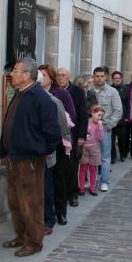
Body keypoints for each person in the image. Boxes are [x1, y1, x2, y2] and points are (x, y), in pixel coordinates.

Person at [0, 58, 61, 257]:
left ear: (27, 75)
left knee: (31, 202)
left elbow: (53, 133)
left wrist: (38, 152)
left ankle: (34, 242)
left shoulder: (41, 98)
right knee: (15, 201)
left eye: (16, 71)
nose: (12, 74)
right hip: (14, 157)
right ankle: (20, 235)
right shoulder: (20, 95)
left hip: (30, 160)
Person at [38, 64, 76, 226]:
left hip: (59, 142)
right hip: (41, 143)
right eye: (39, 75)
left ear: (51, 78)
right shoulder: (36, 94)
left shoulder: (61, 93)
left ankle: (61, 212)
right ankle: (45, 212)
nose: (41, 78)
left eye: (44, 75)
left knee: (58, 178)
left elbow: (71, 117)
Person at [57, 68, 88, 208]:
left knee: (71, 167)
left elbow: (83, 116)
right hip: (57, 136)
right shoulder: (54, 90)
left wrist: (81, 136)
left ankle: (73, 195)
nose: (60, 77)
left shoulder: (77, 92)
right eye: (58, 75)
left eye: (63, 75)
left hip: (73, 134)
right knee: (59, 168)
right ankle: (61, 195)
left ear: (69, 77)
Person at [91, 66, 122, 192]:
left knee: (105, 156)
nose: (99, 78)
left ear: (106, 77)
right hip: (90, 128)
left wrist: (109, 125)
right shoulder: (89, 90)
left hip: (104, 128)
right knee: (91, 156)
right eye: (97, 76)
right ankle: (93, 181)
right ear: (93, 77)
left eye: (102, 76)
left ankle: (104, 181)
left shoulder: (112, 92)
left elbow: (118, 110)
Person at [79, 105, 105, 196]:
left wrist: (100, 127)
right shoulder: (85, 122)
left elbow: (100, 138)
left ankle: (92, 187)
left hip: (95, 148)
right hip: (85, 147)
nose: (100, 117)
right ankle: (81, 188)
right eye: (98, 115)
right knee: (83, 168)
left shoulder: (99, 125)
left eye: (101, 116)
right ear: (92, 113)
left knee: (93, 168)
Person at [110, 71, 127, 163]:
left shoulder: (125, 89)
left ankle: (123, 154)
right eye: (115, 78)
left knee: (122, 139)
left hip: (122, 119)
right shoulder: (109, 89)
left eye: (118, 78)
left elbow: (128, 104)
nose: (117, 80)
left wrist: (127, 116)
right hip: (111, 118)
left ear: (121, 79)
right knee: (111, 140)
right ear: (112, 79)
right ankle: (112, 157)